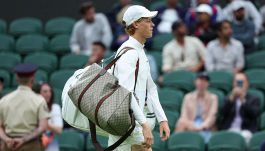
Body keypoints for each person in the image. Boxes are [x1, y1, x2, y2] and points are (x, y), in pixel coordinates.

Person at [108, 5, 170, 151]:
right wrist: (144, 124)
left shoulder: (138, 50)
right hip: (128, 126)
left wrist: (162, 119)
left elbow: (151, 88)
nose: (152, 24)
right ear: (136, 24)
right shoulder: (130, 53)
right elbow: (126, 92)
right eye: (148, 21)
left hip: (131, 125)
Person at [0, 63, 50, 151]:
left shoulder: (4, 100)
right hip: (30, 145)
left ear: (16, 78)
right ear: (33, 78)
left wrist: (6, 139)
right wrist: (23, 140)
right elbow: (43, 127)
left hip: (9, 145)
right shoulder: (39, 100)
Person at [175, 72, 218, 143]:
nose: (202, 82)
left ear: (208, 83)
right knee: (181, 122)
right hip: (190, 124)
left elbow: (212, 116)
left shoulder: (213, 98)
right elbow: (184, 115)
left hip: (206, 127)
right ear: (195, 82)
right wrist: (192, 126)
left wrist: (201, 127)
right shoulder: (188, 97)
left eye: (205, 81)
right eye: (200, 80)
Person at [220, 72, 261, 143]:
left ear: (247, 84)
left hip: (246, 130)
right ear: (233, 84)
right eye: (237, 81)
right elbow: (223, 112)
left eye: (242, 82)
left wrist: (243, 100)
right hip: (230, 129)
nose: (239, 84)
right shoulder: (228, 98)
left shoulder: (254, 98)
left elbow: (254, 114)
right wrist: (231, 98)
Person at [34, 82, 63, 151]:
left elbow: (59, 130)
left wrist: (43, 122)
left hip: (50, 139)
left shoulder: (55, 107)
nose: (48, 94)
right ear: (38, 93)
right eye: (45, 91)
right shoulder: (32, 107)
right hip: (34, 139)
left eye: (50, 91)